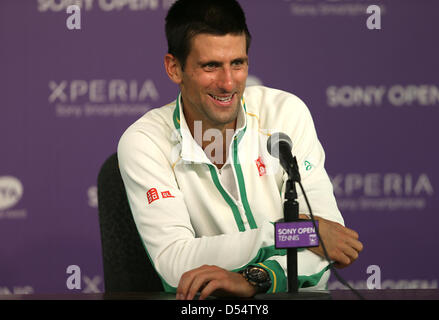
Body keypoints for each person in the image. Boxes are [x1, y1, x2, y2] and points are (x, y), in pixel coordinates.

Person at [117, 0, 363, 300]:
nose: (228, 83)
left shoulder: (286, 113)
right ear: (174, 68)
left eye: (238, 63)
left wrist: (256, 279)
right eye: (211, 66)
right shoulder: (145, 140)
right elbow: (174, 261)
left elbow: (330, 240)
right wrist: (287, 233)